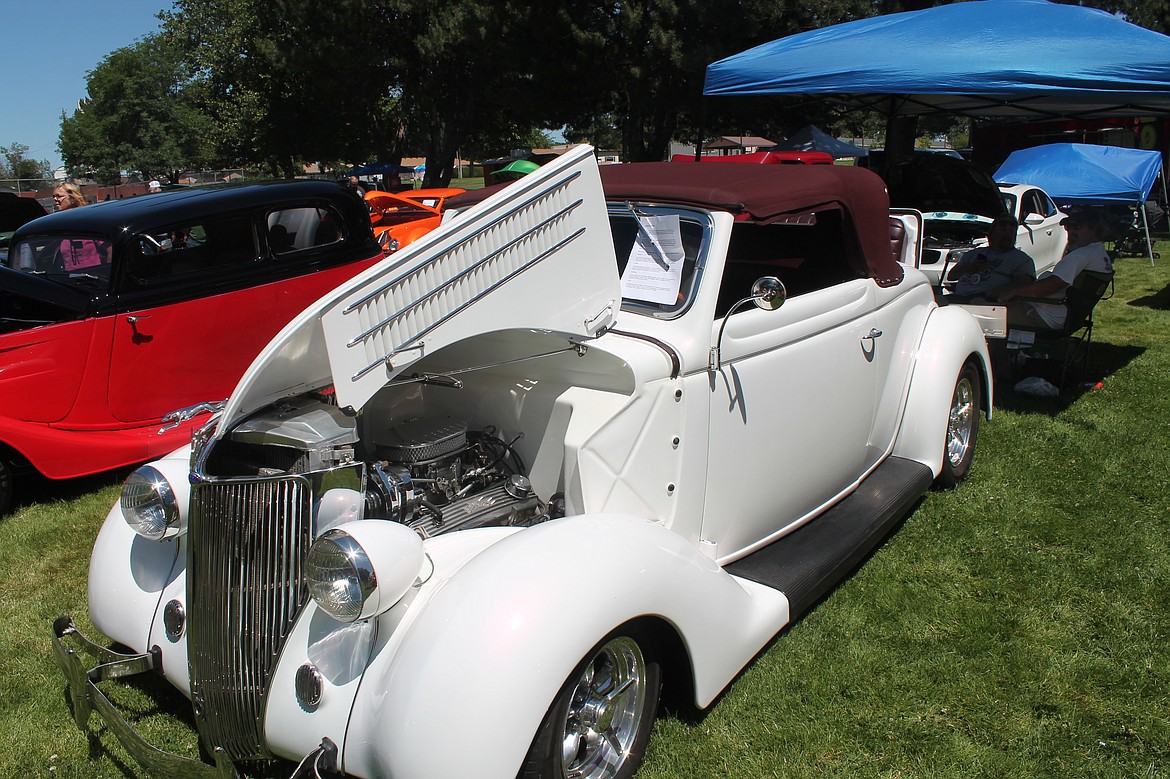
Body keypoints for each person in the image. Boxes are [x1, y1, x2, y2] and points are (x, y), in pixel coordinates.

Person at [994, 208, 1113, 329]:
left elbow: (1051, 286)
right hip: (1059, 315)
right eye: (1068, 227)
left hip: (1043, 317)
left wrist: (1014, 292)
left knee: (986, 312)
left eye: (1077, 227)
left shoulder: (1080, 256)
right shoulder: (1099, 253)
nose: (1071, 232)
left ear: (1093, 229)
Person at [944, 214, 1035, 302]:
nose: (1007, 232)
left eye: (1011, 231)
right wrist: (971, 268)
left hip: (989, 301)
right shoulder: (974, 253)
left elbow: (1026, 284)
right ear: (991, 234)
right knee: (938, 300)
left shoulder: (1021, 260)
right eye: (1003, 229)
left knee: (977, 301)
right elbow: (951, 276)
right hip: (960, 296)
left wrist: (1002, 290)